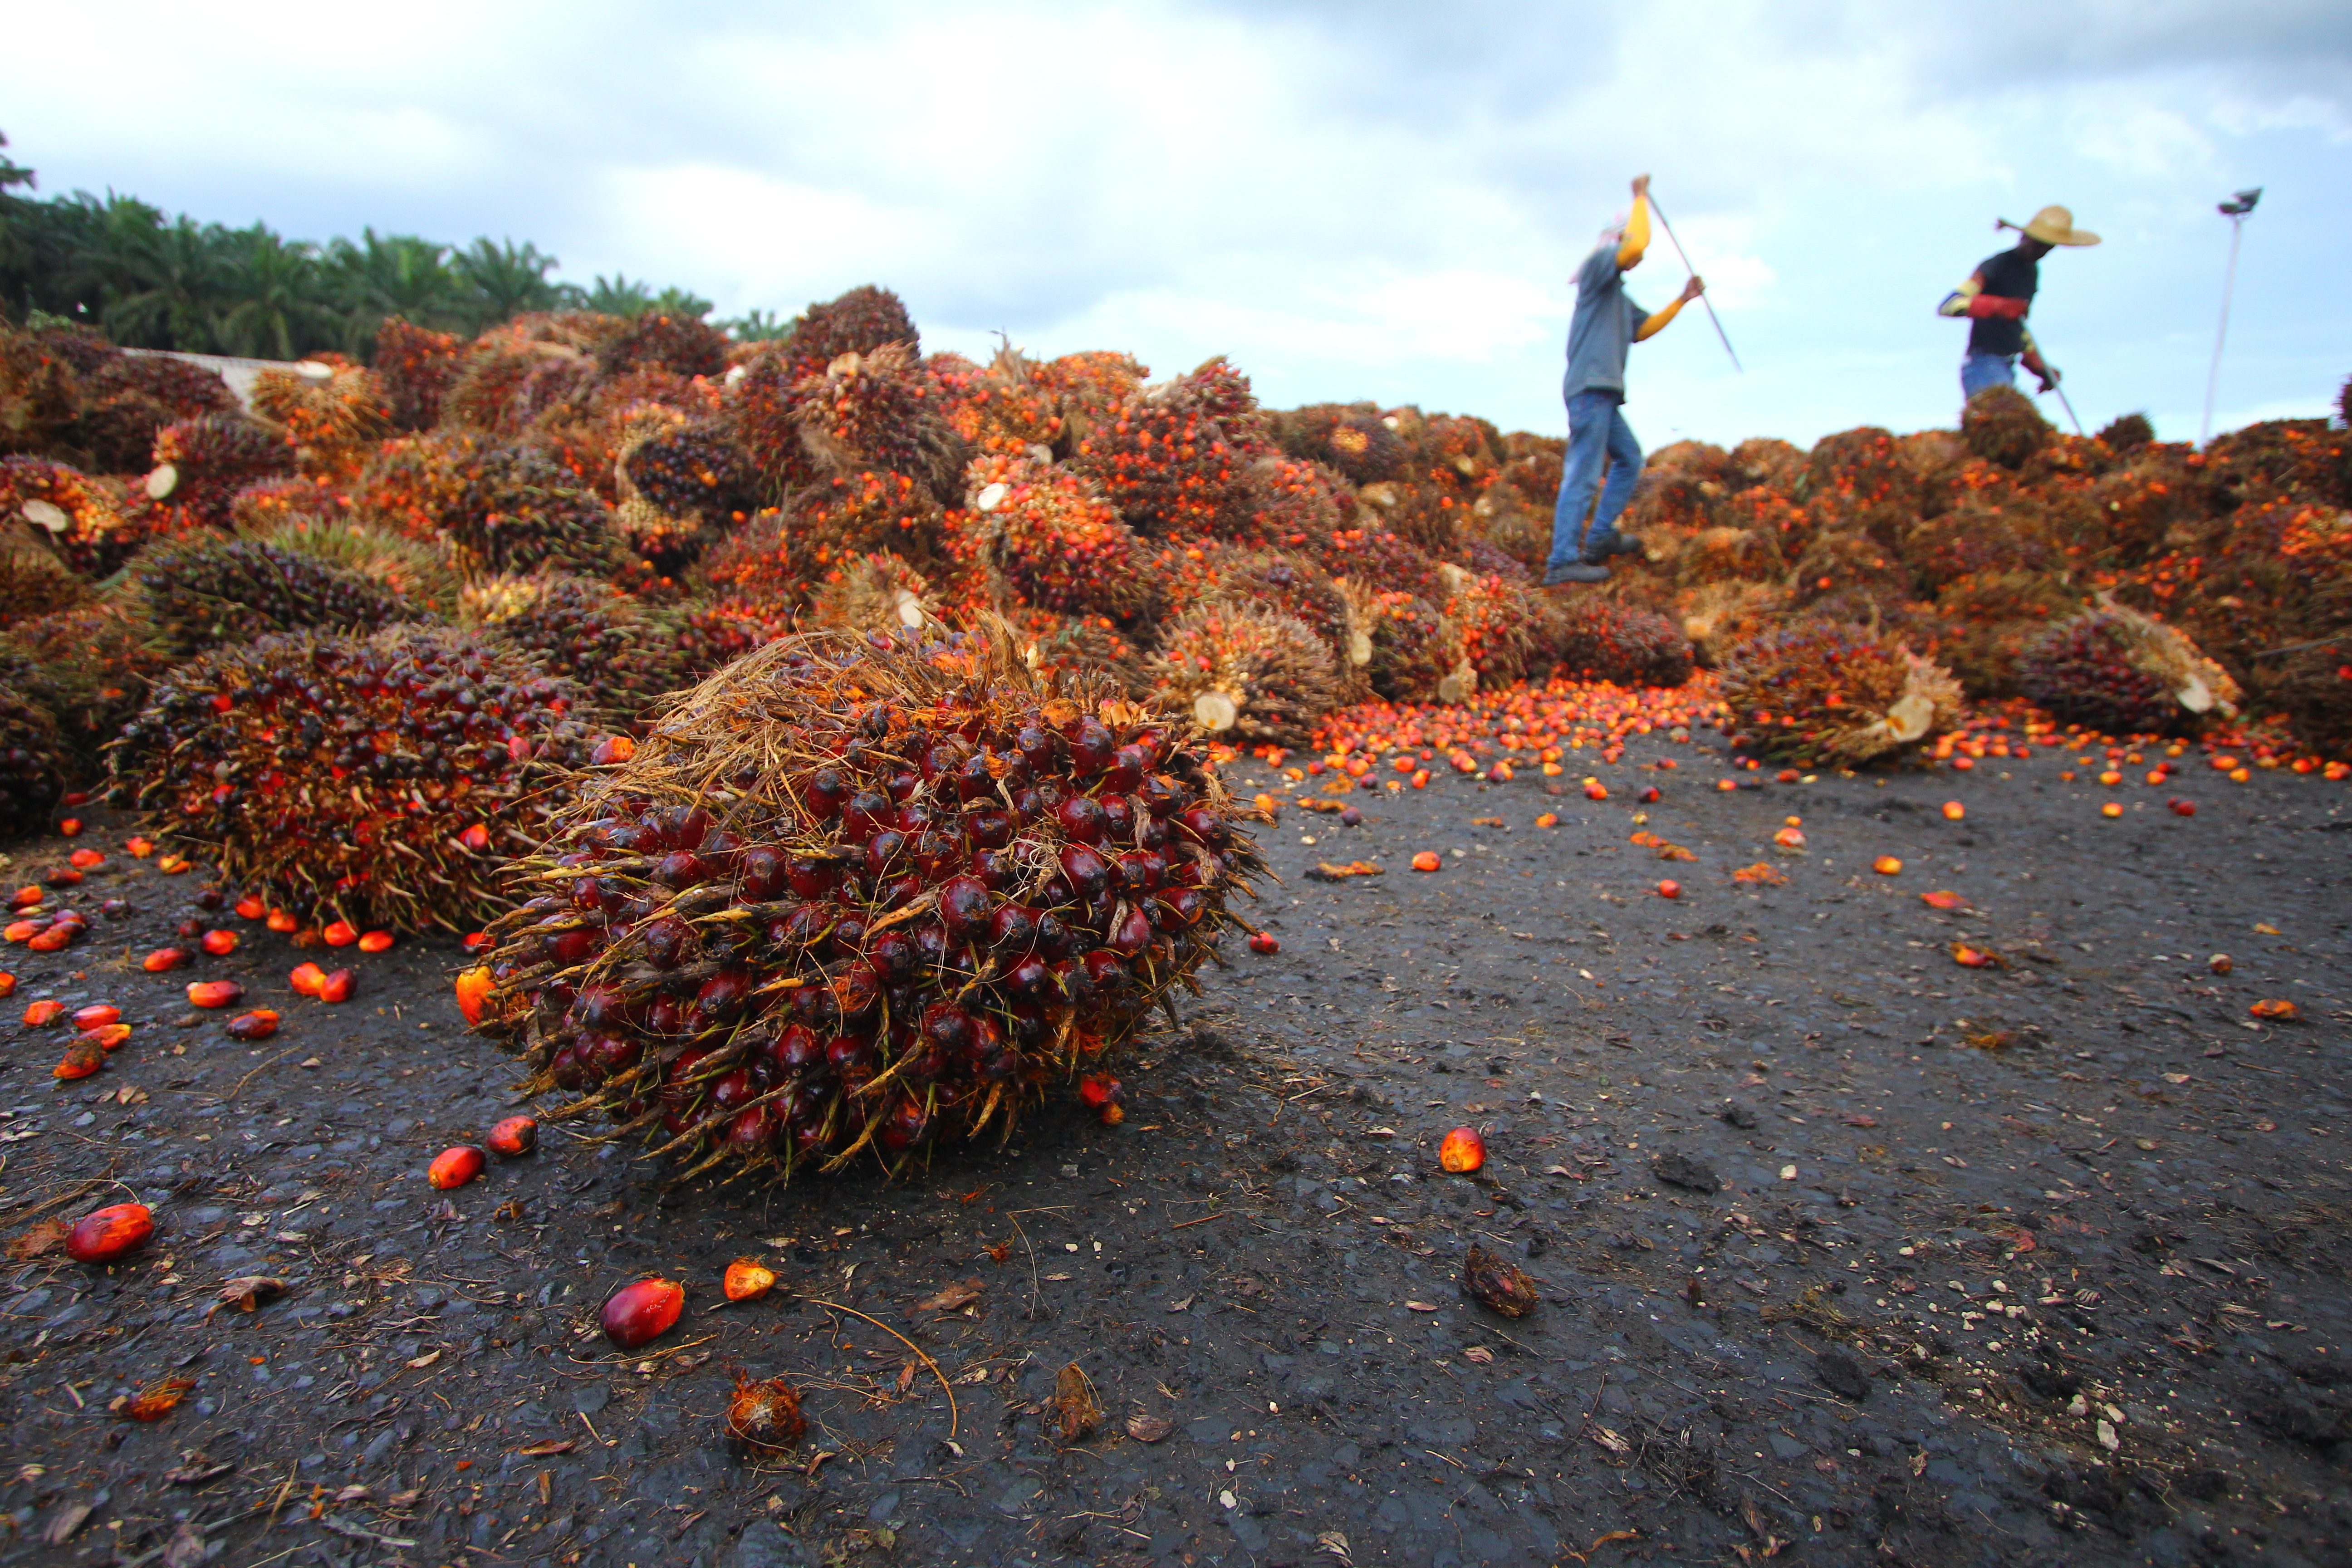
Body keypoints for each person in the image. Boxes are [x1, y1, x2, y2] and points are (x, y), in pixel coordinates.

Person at [1544, 172, 1707, 587]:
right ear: (1615, 243)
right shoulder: (1598, 269)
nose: (1638, 259)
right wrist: (1640, 200)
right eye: (1630, 251)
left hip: (1604, 394)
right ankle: (1562, 562)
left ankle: (1599, 539)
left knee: (1629, 458)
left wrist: (1682, 300)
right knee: (1583, 472)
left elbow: (1644, 328)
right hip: (1589, 390)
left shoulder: (1617, 296)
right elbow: (1637, 242)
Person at [1938, 205, 2099, 403]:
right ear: (2025, 237)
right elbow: (1950, 305)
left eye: (2049, 246)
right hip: (1984, 363)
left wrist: (2039, 366)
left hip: (2007, 364)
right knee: (2001, 421)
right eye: (2038, 243)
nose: (2041, 251)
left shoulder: (2031, 273)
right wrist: (1997, 306)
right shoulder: (1997, 266)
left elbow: (2019, 324)